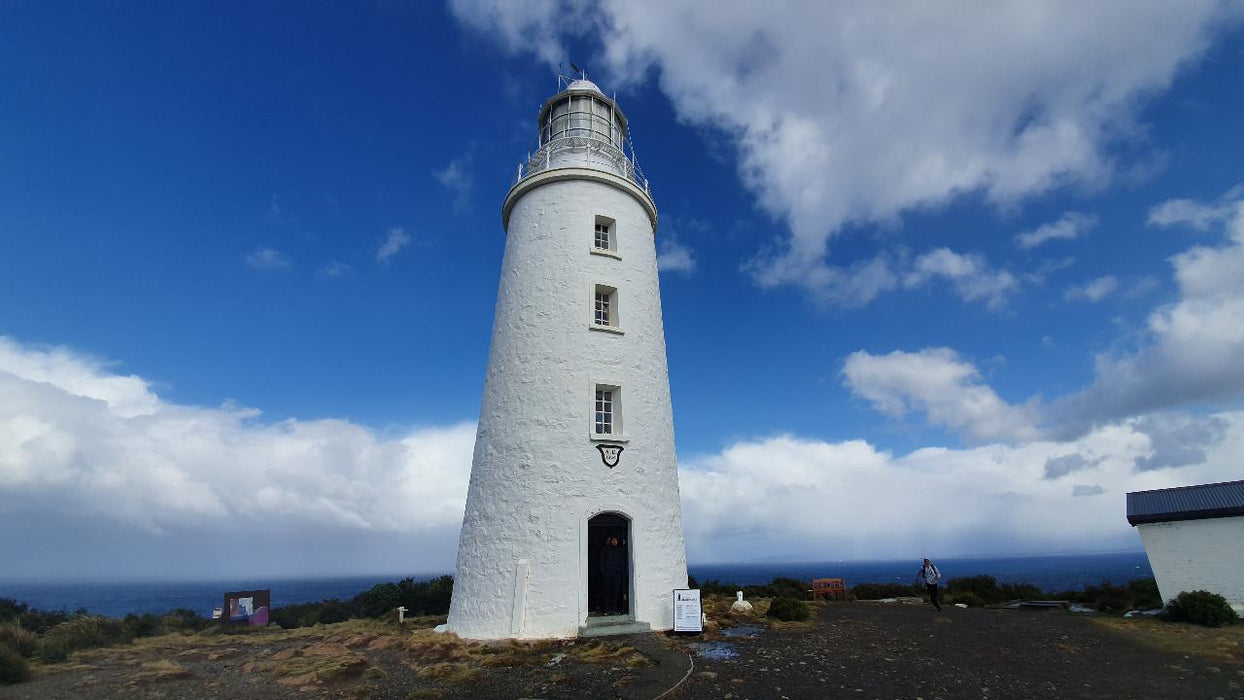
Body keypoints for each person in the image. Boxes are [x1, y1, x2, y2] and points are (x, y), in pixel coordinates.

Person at [600, 535, 627, 615]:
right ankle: (607, 609)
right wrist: (603, 572)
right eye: (613, 540)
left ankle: (615, 609)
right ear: (610, 541)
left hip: (617, 574)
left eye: (616, 540)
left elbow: (623, 561)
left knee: (616, 591)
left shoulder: (620, 550)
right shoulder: (605, 550)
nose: (614, 542)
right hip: (608, 574)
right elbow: (602, 561)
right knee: (607, 591)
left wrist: (621, 571)